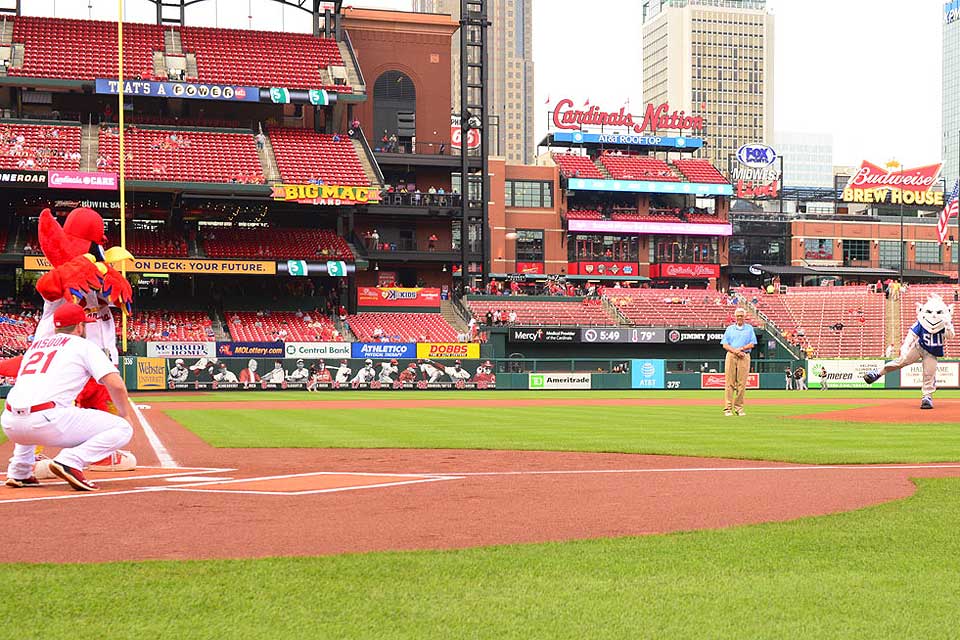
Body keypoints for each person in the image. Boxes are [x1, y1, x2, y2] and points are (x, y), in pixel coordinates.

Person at [2, 303, 133, 491]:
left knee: (29, 406)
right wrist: (124, 414)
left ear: (56, 327)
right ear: (79, 326)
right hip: (48, 421)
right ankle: (70, 460)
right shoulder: (83, 345)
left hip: (10, 424)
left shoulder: (35, 347)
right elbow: (116, 384)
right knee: (123, 428)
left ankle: (19, 471)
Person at [720, 308, 757, 417]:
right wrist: (735, 351)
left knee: (742, 384)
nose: (740, 318)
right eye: (738, 316)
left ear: (744, 317)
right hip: (731, 355)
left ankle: (739, 408)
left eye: (741, 315)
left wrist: (741, 349)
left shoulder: (749, 328)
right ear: (735, 317)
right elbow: (725, 344)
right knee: (729, 383)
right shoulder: (730, 329)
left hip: (744, 356)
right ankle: (727, 408)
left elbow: (752, 343)